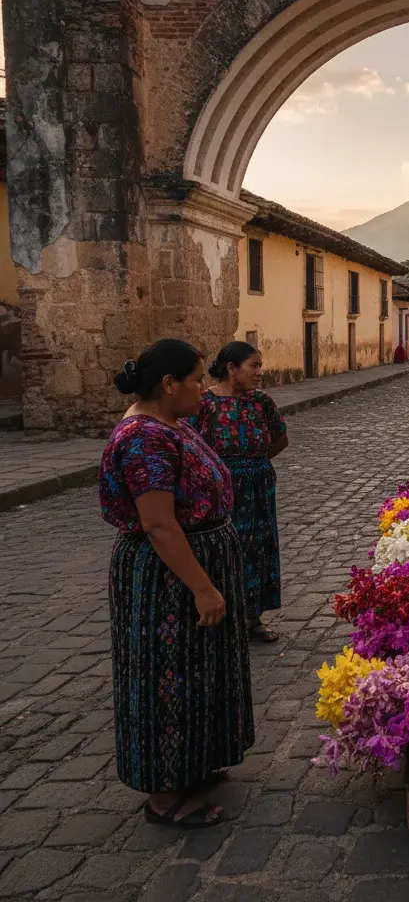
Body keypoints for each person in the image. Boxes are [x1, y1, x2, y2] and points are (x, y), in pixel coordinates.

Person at [100, 339, 254, 830]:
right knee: (168, 678)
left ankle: (196, 761)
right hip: (168, 579)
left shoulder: (171, 423)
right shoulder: (143, 439)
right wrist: (203, 587)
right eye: (195, 380)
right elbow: (159, 524)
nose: (202, 389)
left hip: (195, 564)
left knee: (201, 670)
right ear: (169, 384)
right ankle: (165, 792)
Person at [192, 341, 289, 643]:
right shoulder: (204, 403)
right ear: (232, 369)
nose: (259, 372)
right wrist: (224, 472)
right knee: (223, 550)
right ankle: (221, 615)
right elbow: (191, 446)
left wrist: (253, 464)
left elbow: (281, 439)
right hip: (220, 490)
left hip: (258, 487)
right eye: (253, 366)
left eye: (260, 366)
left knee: (257, 549)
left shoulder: (262, 401)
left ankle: (252, 617)